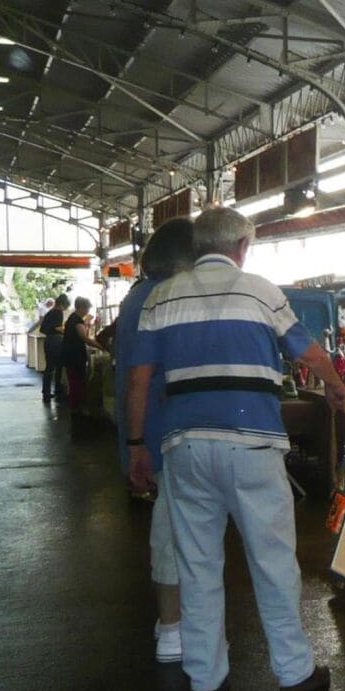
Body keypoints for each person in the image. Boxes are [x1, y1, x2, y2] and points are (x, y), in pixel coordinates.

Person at [126, 207, 345, 691]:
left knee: (198, 564)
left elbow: (139, 379)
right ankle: (293, 674)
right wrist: (335, 388)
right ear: (242, 247)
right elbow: (308, 354)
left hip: (184, 446)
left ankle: (205, 680)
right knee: (271, 560)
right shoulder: (261, 291)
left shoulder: (161, 297)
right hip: (252, 442)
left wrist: (137, 446)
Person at [114, 218, 197, 664]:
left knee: (171, 529)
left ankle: (172, 626)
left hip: (148, 432)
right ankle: (174, 630)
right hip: (166, 433)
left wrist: (131, 443)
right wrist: (139, 443)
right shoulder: (164, 298)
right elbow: (142, 380)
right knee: (175, 533)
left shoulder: (135, 298)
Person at [62, 296, 102, 412]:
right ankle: (78, 406)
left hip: (71, 354)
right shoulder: (76, 320)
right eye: (87, 309)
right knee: (77, 380)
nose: (87, 311)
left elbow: (84, 335)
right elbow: (85, 338)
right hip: (74, 355)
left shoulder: (73, 319)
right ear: (81, 307)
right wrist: (101, 346)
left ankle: (76, 406)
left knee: (75, 380)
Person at [40, 293, 69, 402]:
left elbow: (42, 329)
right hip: (56, 341)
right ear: (62, 304)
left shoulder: (50, 313)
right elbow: (58, 328)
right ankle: (57, 388)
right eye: (65, 306)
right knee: (59, 366)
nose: (64, 309)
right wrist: (61, 329)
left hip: (48, 341)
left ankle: (46, 391)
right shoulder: (58, 313)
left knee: (49, 367)